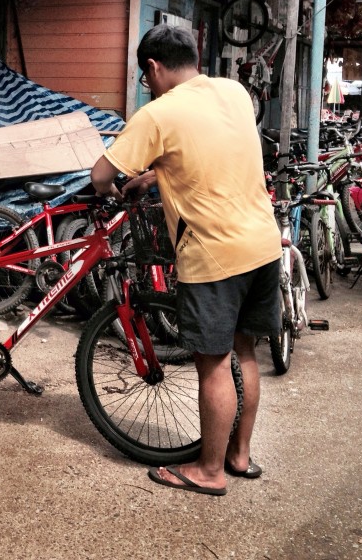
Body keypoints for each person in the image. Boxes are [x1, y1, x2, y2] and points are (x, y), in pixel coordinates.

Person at [90, 24, 281, 497]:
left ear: (153, 68)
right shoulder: (234, 91)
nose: (146, 86)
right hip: (262, 242)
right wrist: (156, 176)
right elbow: (210, 150)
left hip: (214, 252)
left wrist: (112, 187)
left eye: (144, 77)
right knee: (245, 351)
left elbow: (101, 174)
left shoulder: (158, 114)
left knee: (212, 363)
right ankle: (238, 456)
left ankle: (209, 471)